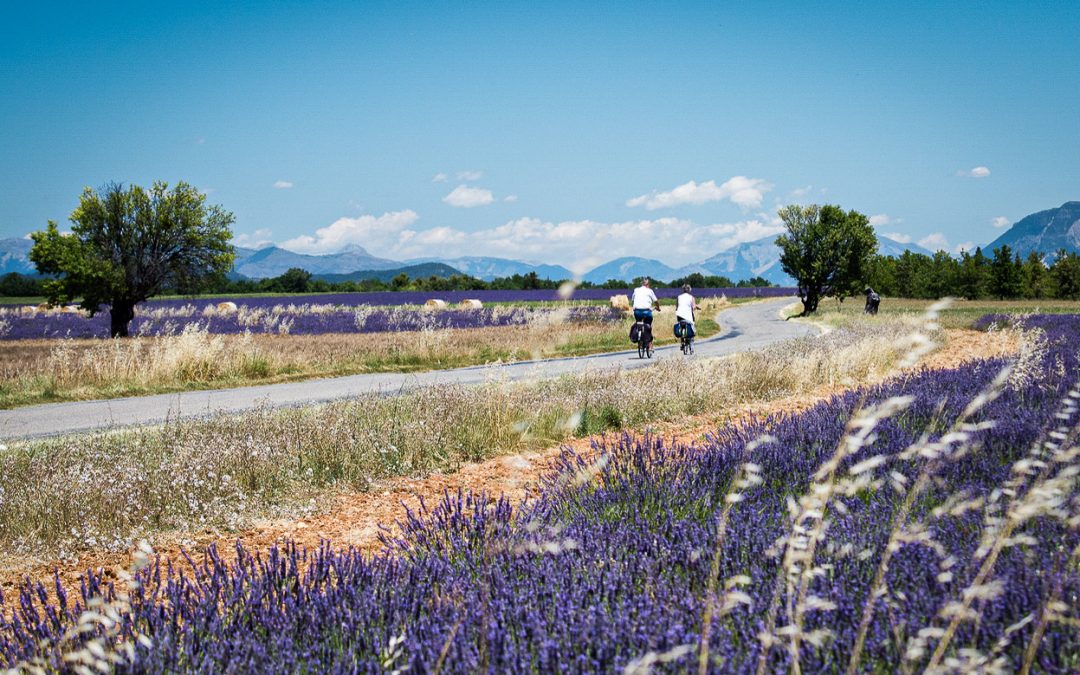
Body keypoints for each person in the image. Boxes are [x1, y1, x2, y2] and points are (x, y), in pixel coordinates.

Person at [631, 277, 661, 347]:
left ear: (642, 284)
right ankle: (650, 343)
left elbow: (632, 300)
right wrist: (658, 308)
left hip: (637, 312)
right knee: (648, 326)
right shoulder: (650, 291)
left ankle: (640, 342)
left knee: (638, 323)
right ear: (648, 284)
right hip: (647, 312)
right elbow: (656, 301)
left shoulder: (636, 290)